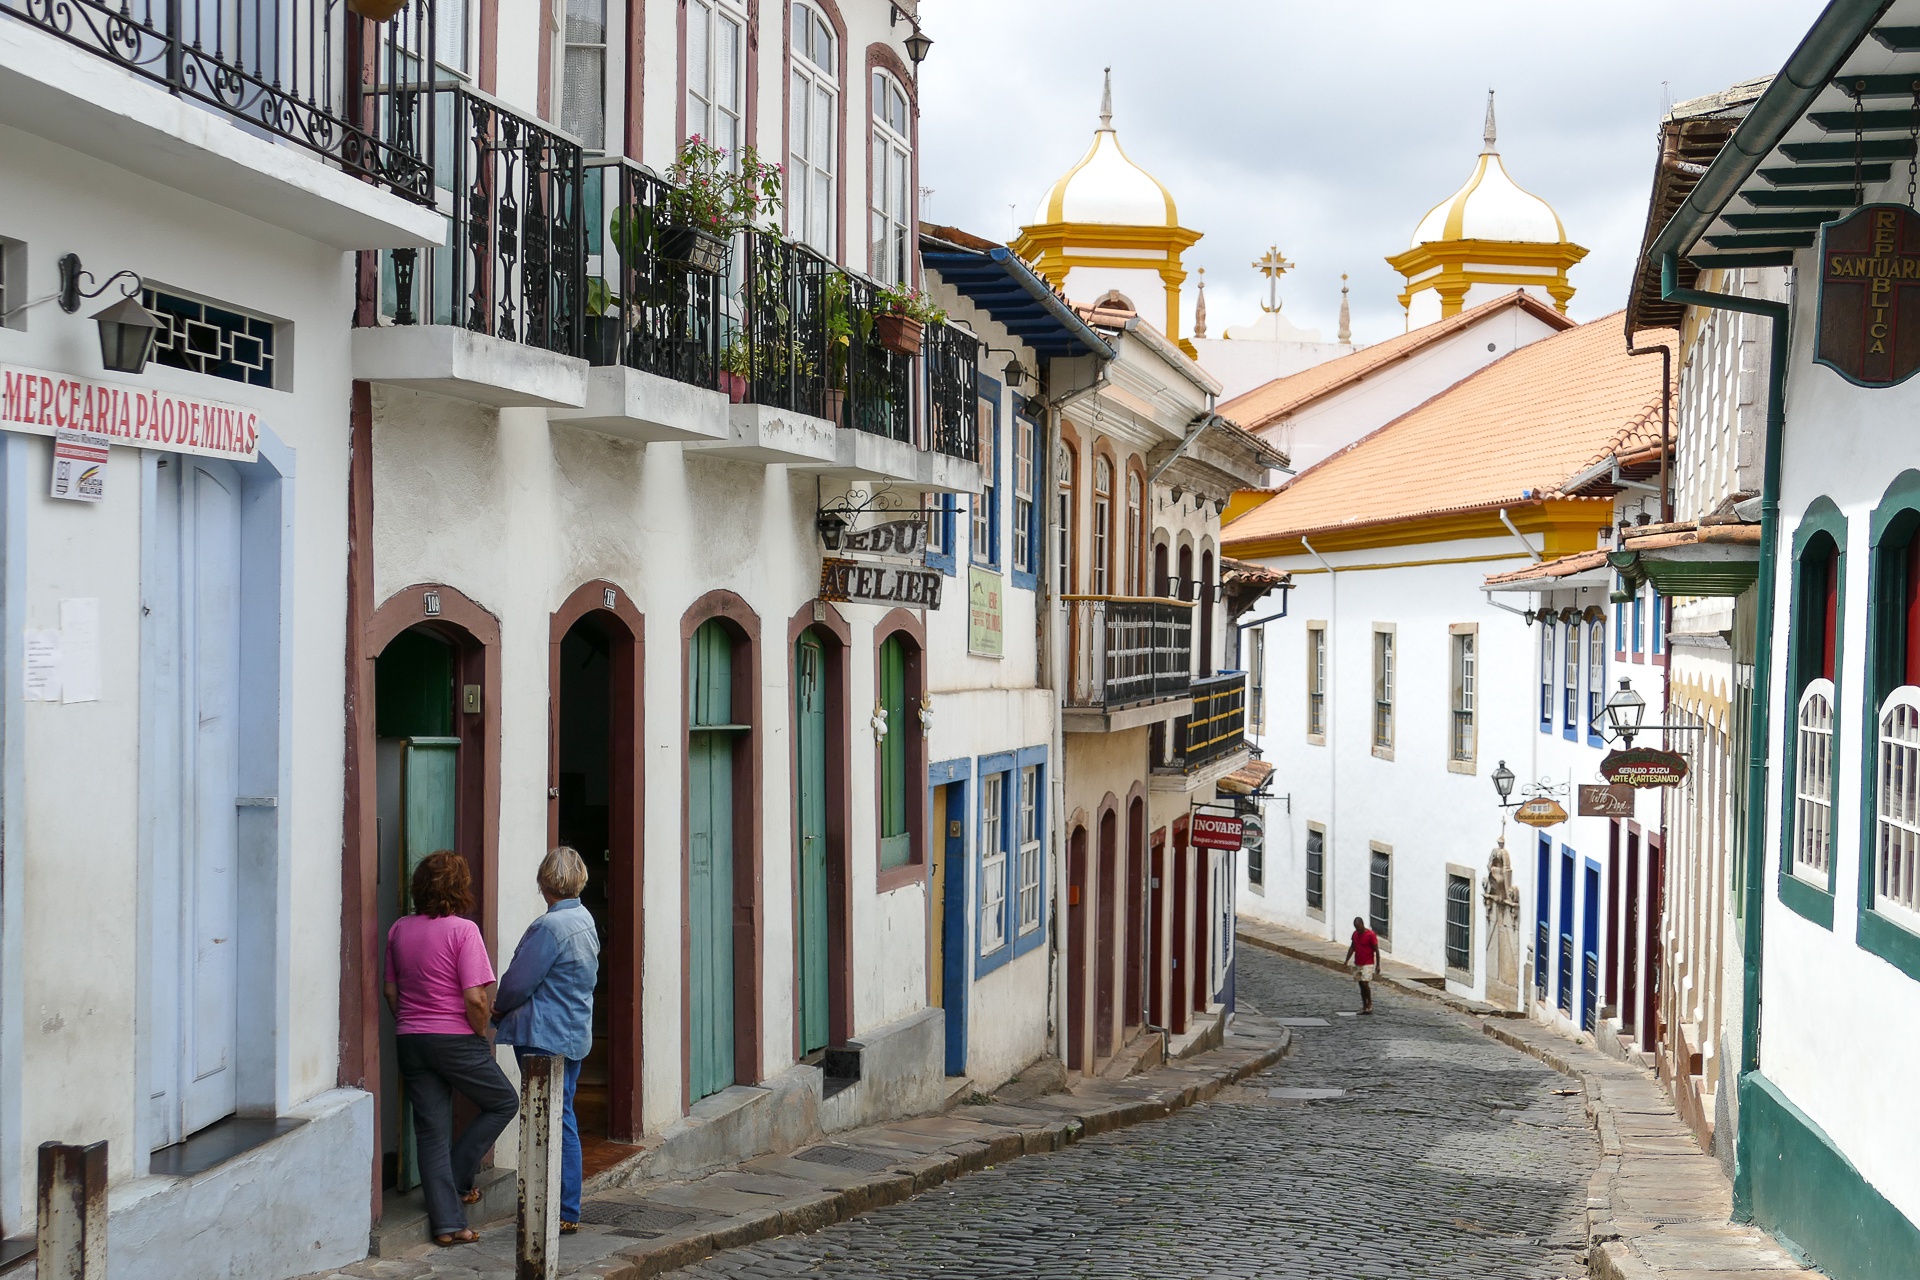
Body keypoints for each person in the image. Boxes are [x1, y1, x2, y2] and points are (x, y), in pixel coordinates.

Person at [386, 850, 519, 1247]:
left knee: (430, 1132)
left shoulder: (398, 929)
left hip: (410, 1039)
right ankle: (461, 1175)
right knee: (503, 1101)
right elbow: (476, 998)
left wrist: (411, 1025)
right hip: (456, 1038)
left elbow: (390, 991)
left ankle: (447, 1224)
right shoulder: (464, 931)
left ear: (420, 888)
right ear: (460, 888)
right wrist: (480, 1036)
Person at [494, 847, 601, 1235]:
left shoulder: (550, 927)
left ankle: (554, 1206)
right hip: (573, 1032)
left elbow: (519, 983)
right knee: (564, 1115)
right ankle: (566, 1208)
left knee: (548, 1120)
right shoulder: (584, 919)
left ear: (544, 883)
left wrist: (498, 1008)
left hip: (544, 1034)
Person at [1344, 916, 1381, 1014]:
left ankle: (1370, 1003)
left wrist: (1378, 965)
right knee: (1360, 984)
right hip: (1358, 962)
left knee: (1365, 983)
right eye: (1356, 927)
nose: (1358, 929)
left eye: (1359, 927)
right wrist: (1346, 960)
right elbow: (1352, 947)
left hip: (1368, 962)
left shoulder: (1371, 935)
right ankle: (1364, 1005)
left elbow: (1376, 951)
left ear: (1362, 924)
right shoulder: (1355, 934)